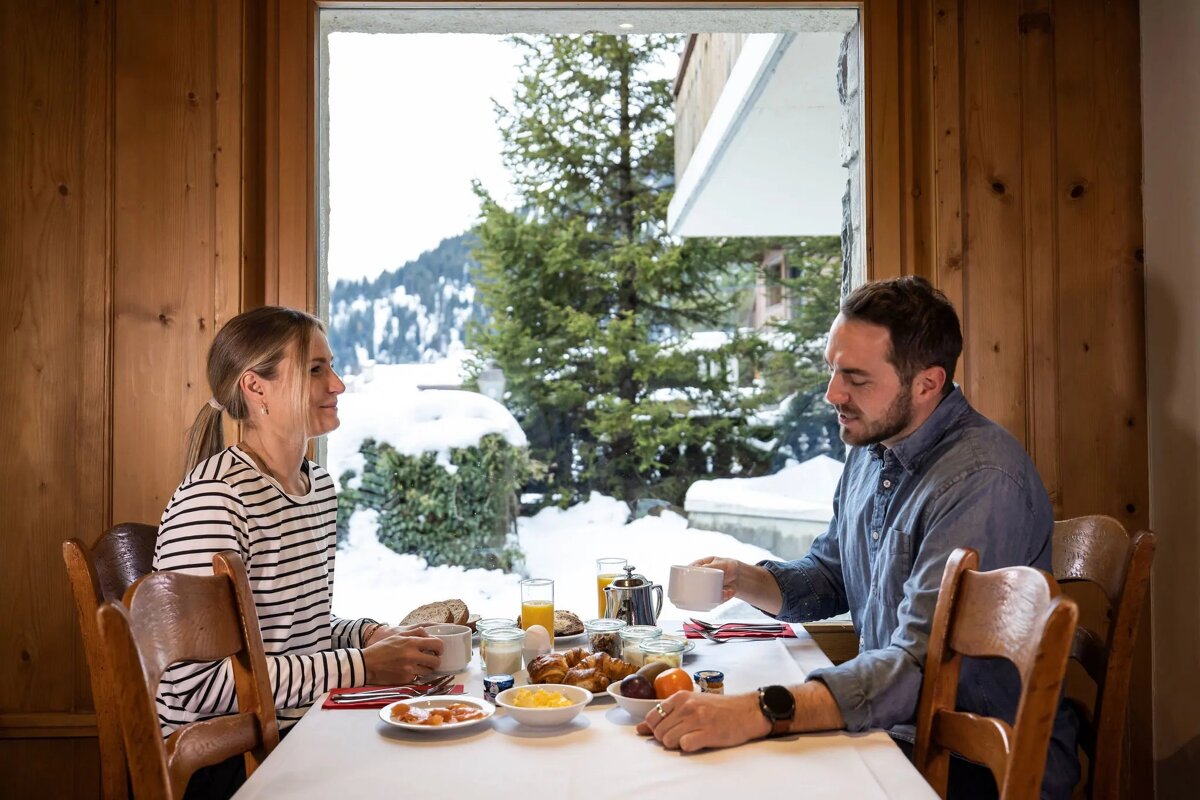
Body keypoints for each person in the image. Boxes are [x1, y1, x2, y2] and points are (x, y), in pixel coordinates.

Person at [638, 276, 1079, 800]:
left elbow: (922, 666)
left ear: (927, 384)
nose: (832, 394)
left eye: (855, 378)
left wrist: (761, 709)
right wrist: (745, 579)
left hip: (972, 764)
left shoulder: (980, 481)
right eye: (832, 369)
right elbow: (832, 577)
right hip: (899, 731)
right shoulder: (874, 451)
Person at [153, 306, 444, 798]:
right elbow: (194, 687)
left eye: (330, 367)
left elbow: (293, 634)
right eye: (315, 369)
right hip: (228, 761)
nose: (338, 385)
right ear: (256, 387)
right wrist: (365, 665)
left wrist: (370, 633)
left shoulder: (316, 486)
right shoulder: (214, 499)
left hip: (298, 730)